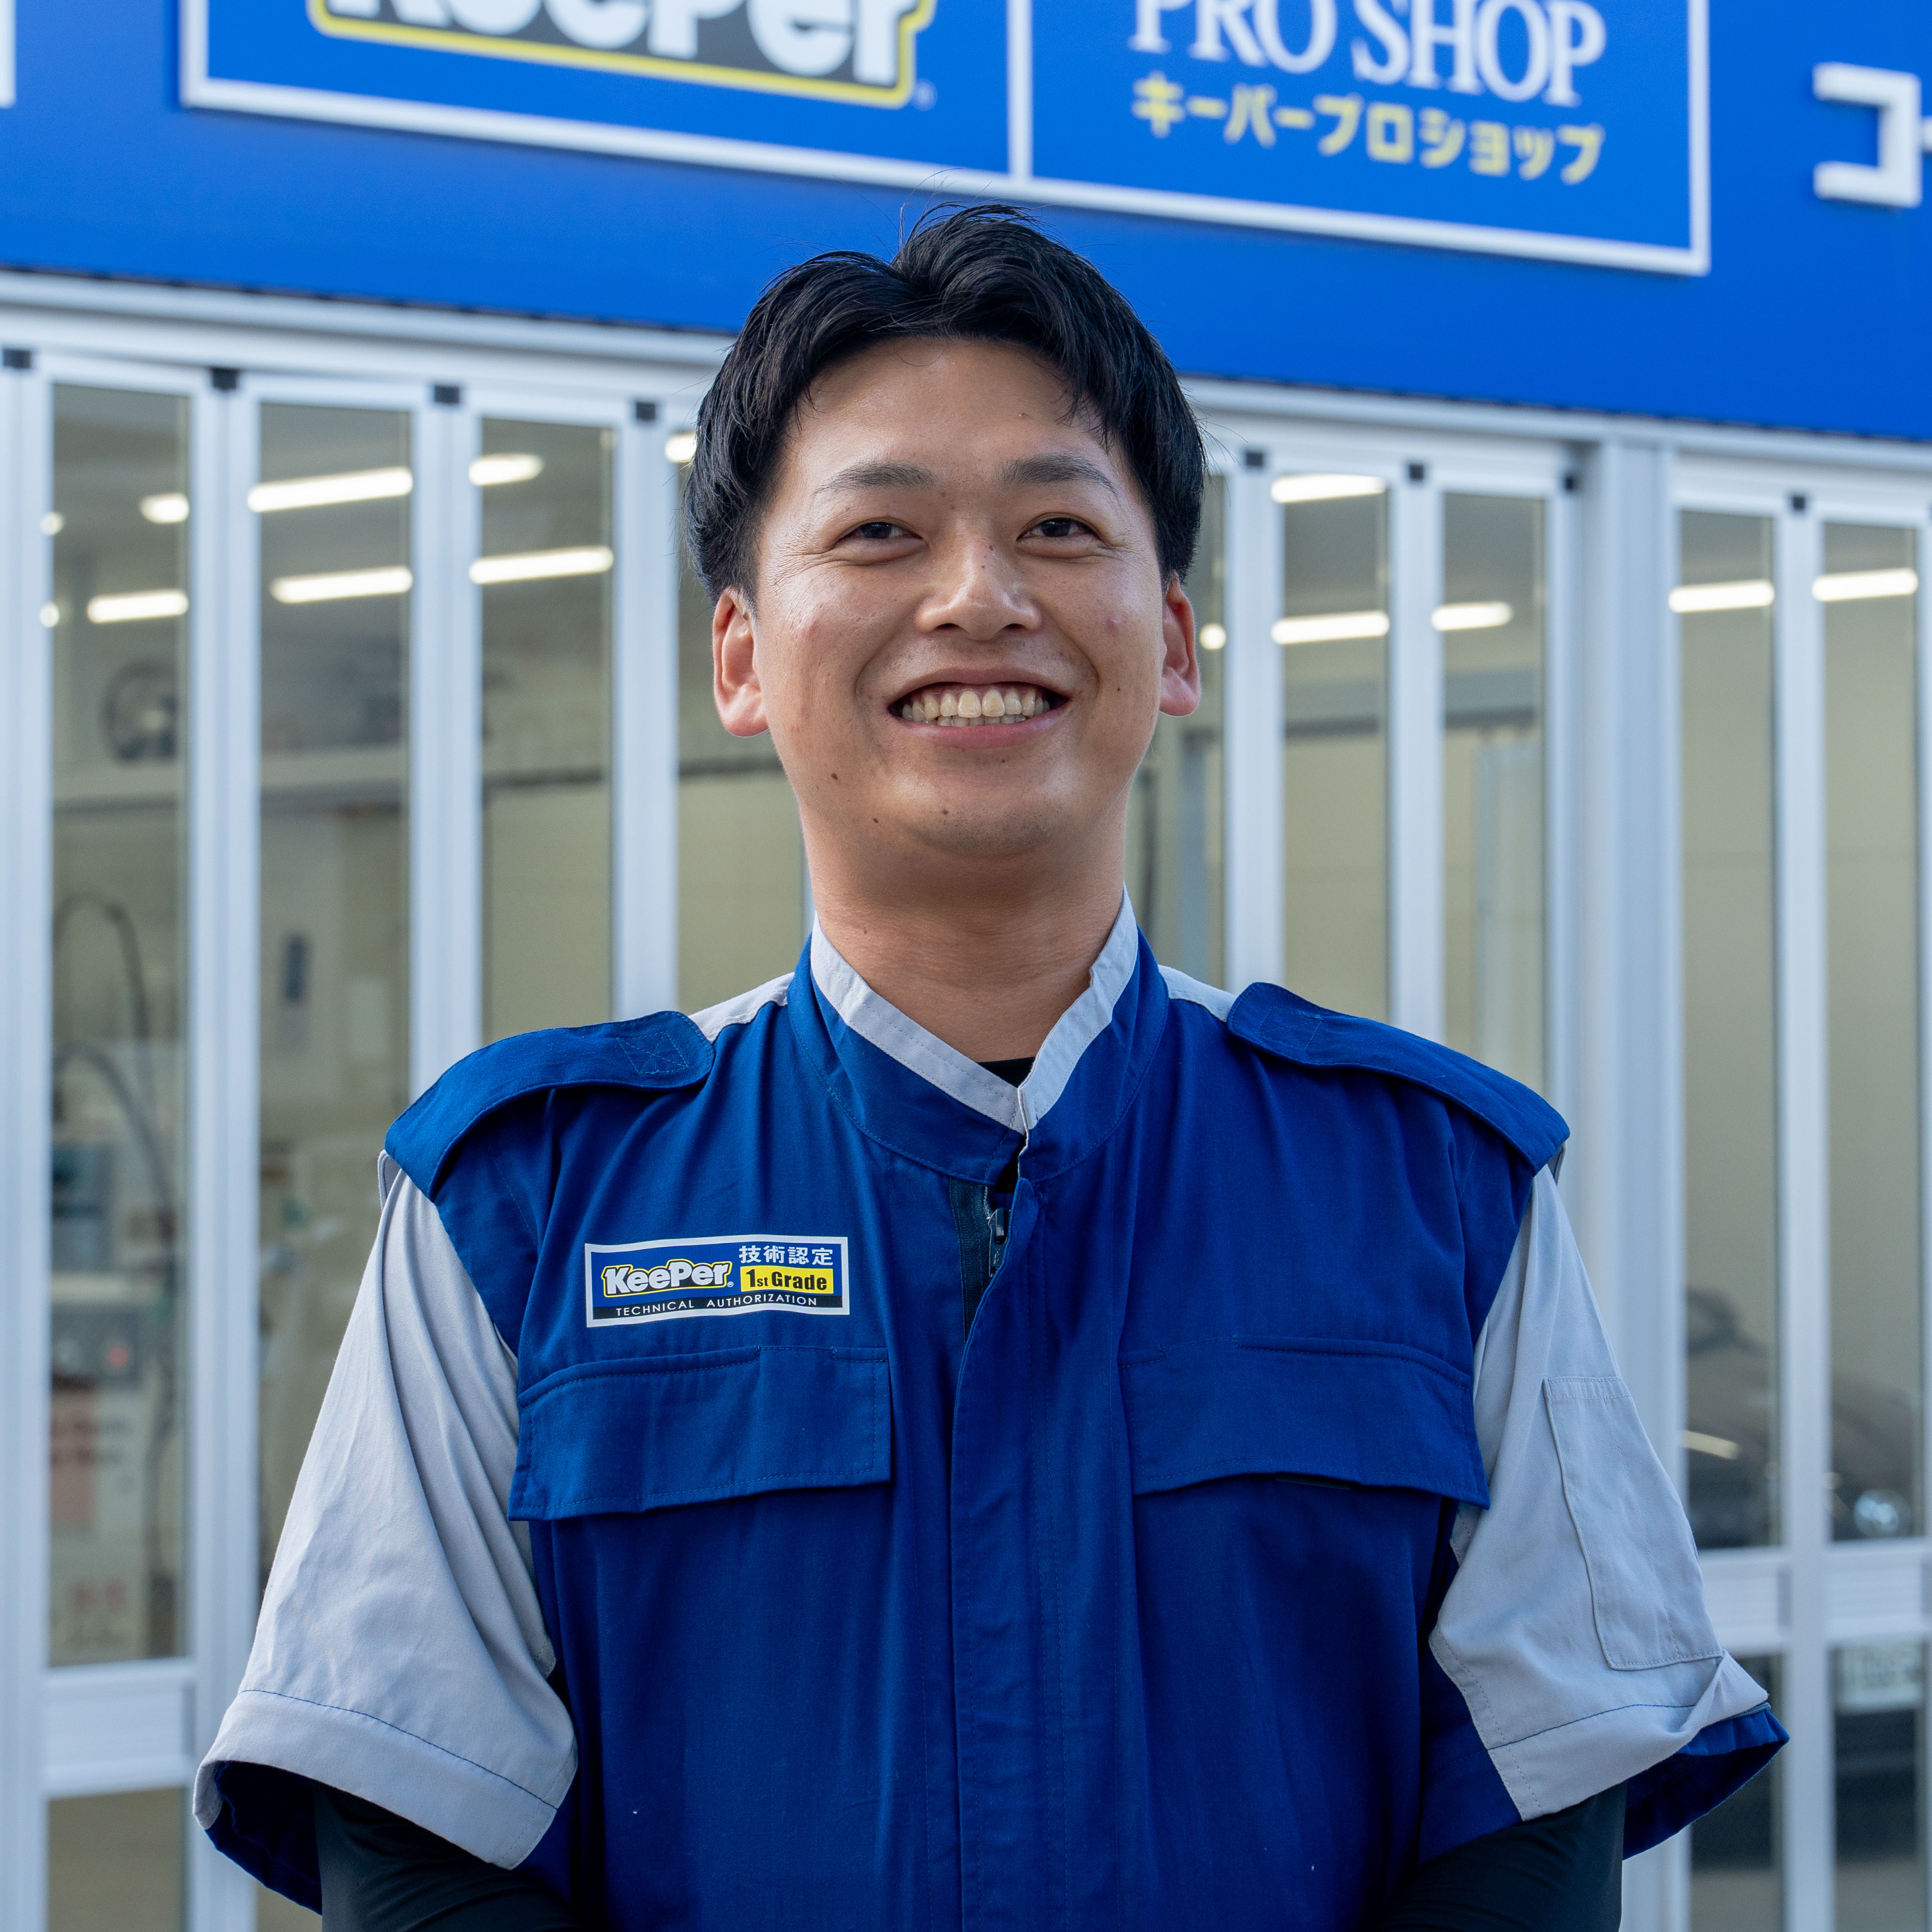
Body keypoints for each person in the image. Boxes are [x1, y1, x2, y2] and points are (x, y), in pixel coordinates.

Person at [196, 206, 1783, 1932]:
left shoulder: (1437, 1191)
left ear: (1173, 641)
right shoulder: (523, 1204)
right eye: (880, 531)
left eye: (1057, 527)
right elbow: (415, 1823)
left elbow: (1541, 1799)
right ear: (743, 656)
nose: (978, 598)